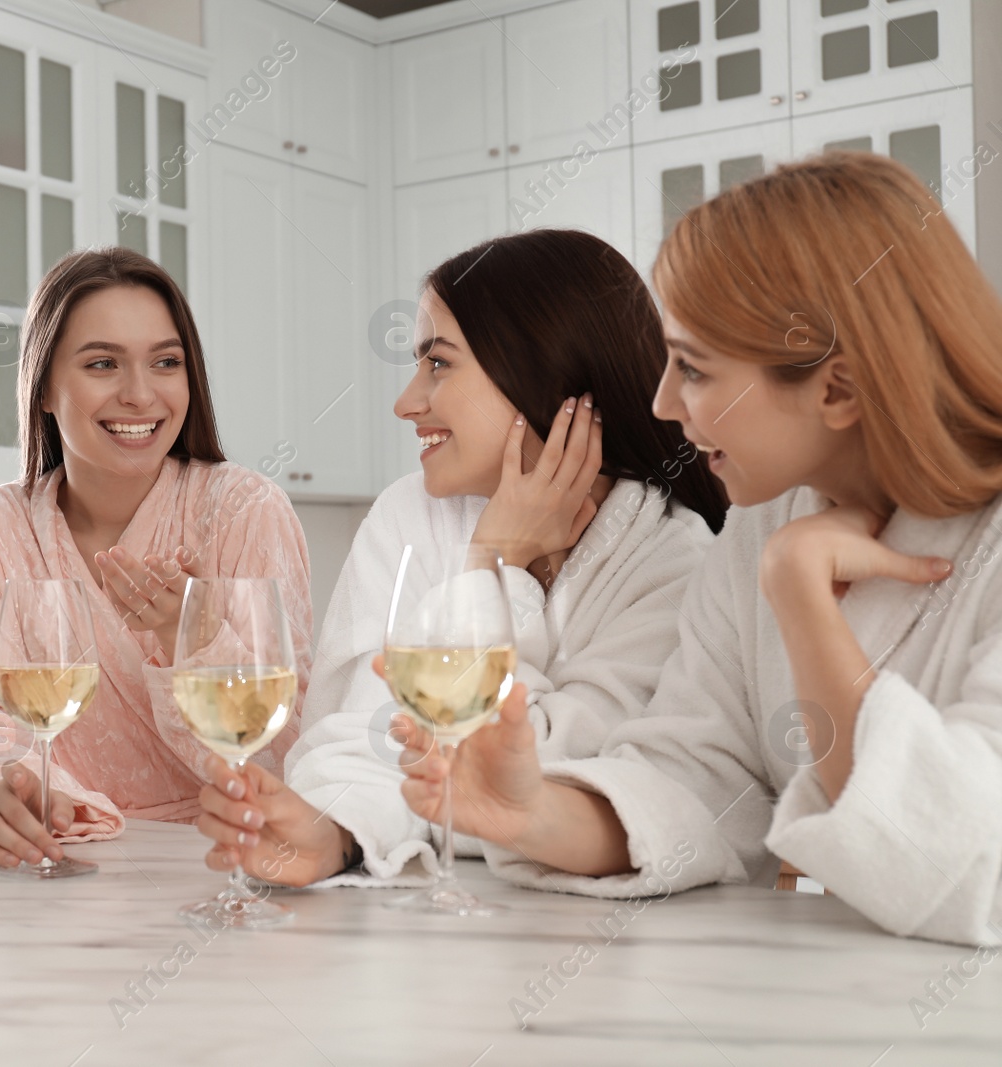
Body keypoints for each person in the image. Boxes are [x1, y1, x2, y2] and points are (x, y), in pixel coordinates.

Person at [394, 153, 1002, 946]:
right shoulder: (763, 520)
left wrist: (801, 594)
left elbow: (959, 857)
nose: (661, 403)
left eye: (695, 368)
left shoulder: (782, 550)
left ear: (838, 389)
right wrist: (534, 812)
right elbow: (697, 777)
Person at [194, 230, 726, 887]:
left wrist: (492, 566)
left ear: (547, 371)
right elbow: (362, 736)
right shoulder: (408, 516)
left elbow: (548, 775)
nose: (406, 402)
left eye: (438, 363)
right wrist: (333, 833)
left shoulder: (671, 560)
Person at [0, 248, 313, 870]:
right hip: (65, 858)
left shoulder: (246, 509)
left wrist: (185, 634)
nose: (140, 395)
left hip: (223, 860)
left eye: (165, 362)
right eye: (103, 363)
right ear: (45, 387)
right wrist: (0, 792)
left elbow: (285, 755)